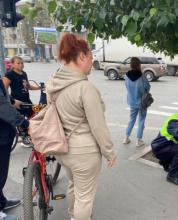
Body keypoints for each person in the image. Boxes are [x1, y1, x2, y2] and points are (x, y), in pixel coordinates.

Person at [45, 33, 117, 220]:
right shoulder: (85, 88)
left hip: (63, 149)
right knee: (85, 198)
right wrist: (109, 151)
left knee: (74, 185)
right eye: (91, 58)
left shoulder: (54, 83)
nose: (92, 64)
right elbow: (98, 126)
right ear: (82, 56)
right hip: (84, 152)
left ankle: (72, 216)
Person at [0, 77, 30, 220]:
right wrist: (23, 122)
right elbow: (1, 106)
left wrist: (12, 101)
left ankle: (1, 202)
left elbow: (3, 97)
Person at [123, 57, 150, 147]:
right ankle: (138, 140)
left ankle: (126, 138)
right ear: (139, 65)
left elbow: (127, 87)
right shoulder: (142, 76)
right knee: (141, 120)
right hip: (141, 102)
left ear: (131, 65)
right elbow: (147, 87)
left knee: (131, 119)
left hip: (131, 101)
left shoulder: (126, 76)